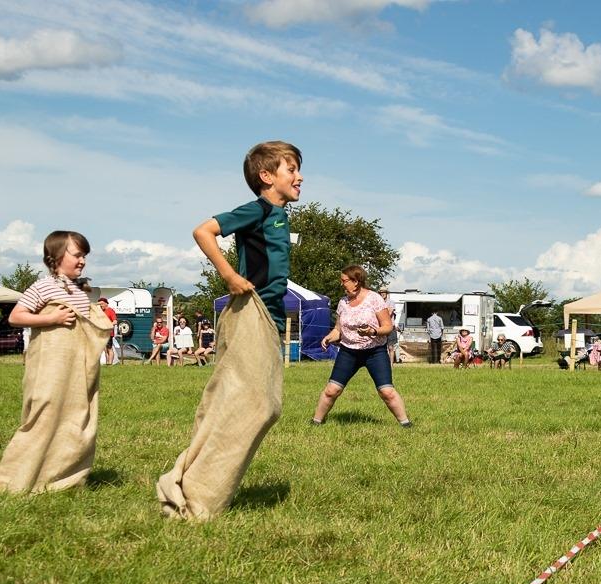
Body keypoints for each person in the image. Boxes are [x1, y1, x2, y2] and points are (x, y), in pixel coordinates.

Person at [156, 140, 302, 520]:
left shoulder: (280, 216)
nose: (299, 177)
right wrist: (230, 275)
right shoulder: (255, 210)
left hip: (267, 316)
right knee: (250, 403)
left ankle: (203, 487)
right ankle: (193, 491)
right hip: (249, 313)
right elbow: (203, 231)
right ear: (266, 177)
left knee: (261, 405)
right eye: (291, 170)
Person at [0, 230, 112, 493]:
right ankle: (13, 478)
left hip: (76, 368)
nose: (82, 261)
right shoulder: (43, 286)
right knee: (43, 414)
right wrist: (51, 319)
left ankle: (58, 477)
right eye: (77, 255)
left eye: (85, 256)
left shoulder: (80, 291)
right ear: (55, 257)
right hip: (50, 368)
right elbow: (16, 317)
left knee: (74, 418)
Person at [311, 265, 411, 427]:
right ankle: (315, 423)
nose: (342, 284)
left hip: (375, 352)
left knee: (386, 392)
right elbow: (338, 329)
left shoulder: (374, 299)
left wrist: (372, 331)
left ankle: (406, 425)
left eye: (344, 281)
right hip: (348, 352)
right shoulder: (343, 302)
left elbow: (387, 326)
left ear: (356, 281)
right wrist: (329, 337)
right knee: (332, 391)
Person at [379, 288, 400, 363]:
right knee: (382, 348)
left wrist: (381, 314)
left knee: (391, 347)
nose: (382, 294)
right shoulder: (378, 303)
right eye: (381, 292)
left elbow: (390, 313)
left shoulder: (391, 302)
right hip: (381, 327)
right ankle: (384, 364)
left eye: (384, 292)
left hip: (390, 327)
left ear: (386, 293)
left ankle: (391, 365)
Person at [98, 297, 118, 365]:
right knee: (105, 350)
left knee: (109, 349)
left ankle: (110, 364)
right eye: (100, 304)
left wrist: (107, 325)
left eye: (102, 304)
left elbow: (115, 321)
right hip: (102, 333)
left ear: (106, 303)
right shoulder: (101, 312)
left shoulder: (110, 311)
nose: (101, 306)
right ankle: (107, 363)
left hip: (109, 333)